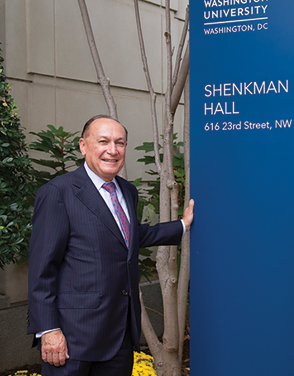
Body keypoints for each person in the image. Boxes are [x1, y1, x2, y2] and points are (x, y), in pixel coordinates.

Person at [27, 115, 194, 376]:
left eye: (120, 143)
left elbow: (128, 238)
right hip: (73, 339)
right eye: (103, 141)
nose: (112, 150)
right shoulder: (59, 192)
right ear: (83, 146)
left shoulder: (127, 191)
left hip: (120, 335)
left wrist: (182, 225)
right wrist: (48, 330)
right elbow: (42, 269)